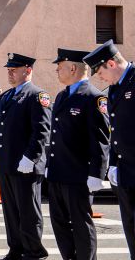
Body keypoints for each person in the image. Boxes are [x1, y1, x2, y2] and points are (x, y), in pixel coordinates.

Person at [0, 53, 51, 260]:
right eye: (8, 70)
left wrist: (31, 157)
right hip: (6, 163)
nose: (10, 74)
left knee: (28, 211)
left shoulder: (37, 95)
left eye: (14, 70)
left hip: (26, 166)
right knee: (11, 211)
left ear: (28, 70)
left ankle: (34, 251)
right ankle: (16, 248)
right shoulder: (6, 96)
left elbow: (41, 131)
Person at [46, 48, 109, 260]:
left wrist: (97, 174)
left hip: (78, 175)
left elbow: (101, 140)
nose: (56, 71)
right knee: (59, 223)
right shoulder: (62, 95)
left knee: (81, 224)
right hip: (57, 172)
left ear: (73, 68)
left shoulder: (94, 98)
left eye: (60, 67)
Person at [84, 39, 135, 257]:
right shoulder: (114, 89)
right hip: (125, 173)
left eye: (100, 71)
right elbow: (115, 129)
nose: (99, 77)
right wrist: (113, 163)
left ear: (111, 64)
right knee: (131, 230)